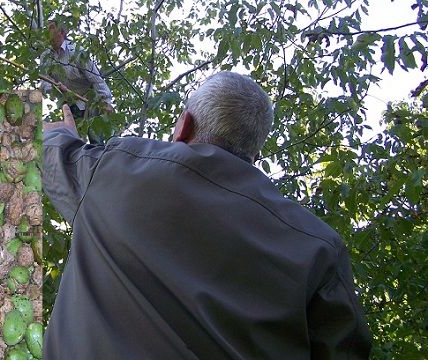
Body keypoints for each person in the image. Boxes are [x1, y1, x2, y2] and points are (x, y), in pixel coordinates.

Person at [42, 71, 372, 359]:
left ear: (184, 125)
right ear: (254, 156)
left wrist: (62, 133)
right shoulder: (320, 250)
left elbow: (49, 153)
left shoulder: (114, 169)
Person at [40, 19, 114, 120]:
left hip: (91, 103)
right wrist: (55, 88)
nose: (47, 31)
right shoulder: (46, 57)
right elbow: (44, 82)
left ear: (61, 32)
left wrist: (106, 102)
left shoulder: (77, 52)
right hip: (70, 106)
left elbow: (96, 79)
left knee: (96, 133)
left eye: (52, 27)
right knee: (72, 134)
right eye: (46, 28)